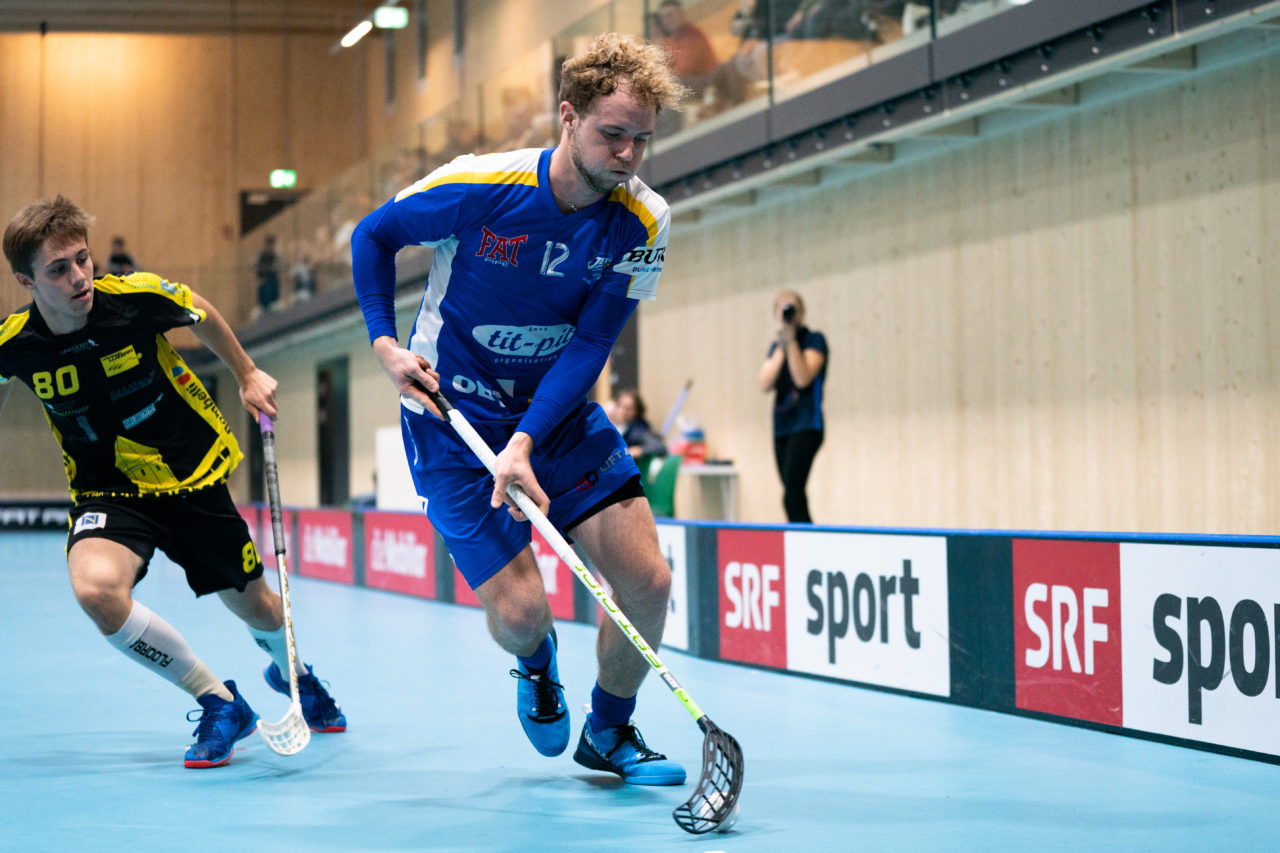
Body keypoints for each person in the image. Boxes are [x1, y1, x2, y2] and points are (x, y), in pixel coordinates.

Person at [351, 33, 688, 787]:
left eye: (642, 139)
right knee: (522, 614)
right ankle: (537, 665)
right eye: (613, 134)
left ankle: (609, 730)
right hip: (450, 417)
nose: (628, 154)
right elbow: (374, 236)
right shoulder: (479, 185)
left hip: (555, 418)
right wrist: (384, 343)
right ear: (568, 116)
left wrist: (529, 438)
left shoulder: (644, 218)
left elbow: (592, 342)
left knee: (649, 583)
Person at [0, 196, 346, 768]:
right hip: (108, 494)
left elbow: (199, 310)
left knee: (259, 608)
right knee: (96, 591)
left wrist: (246, 373)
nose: (79, 277)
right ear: (25, 281)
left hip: (191, 479)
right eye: (58, 269)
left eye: (82, 259)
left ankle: (296, 674)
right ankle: (218, 702)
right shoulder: (15, 344)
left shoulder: (133, 298)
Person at [758, 289, 827, 523]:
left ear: (801, 312)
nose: (787, 313)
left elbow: (802, 378)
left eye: (792, 308)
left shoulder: (814, 340)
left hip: (807, 425)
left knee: (792, 494)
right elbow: (764, 383)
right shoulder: (776, 347)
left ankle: (806, 538)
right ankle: (804, 533)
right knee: (792, 492)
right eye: (782, 308)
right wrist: (782, 344)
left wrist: (791, 341)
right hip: (782, 427)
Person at [611, 388, 667, 459]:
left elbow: (659, 446)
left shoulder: (638, 430)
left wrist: (639, 450)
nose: (622, 411)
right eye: (620, 406)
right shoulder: (616, 427)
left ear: (636, 411)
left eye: (628, 408)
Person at [254, 233, 282, 313]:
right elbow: (256, 267)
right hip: (263, 279)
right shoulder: (261, 256)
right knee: (264, 289)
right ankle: (263, 306)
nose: (271, 247)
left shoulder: (275, 255)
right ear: (266, 245)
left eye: (272, 245)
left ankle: (273, 303)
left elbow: (279, 265)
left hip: (272, 279)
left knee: (273, 286)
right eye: (269, 245)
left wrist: (272, 268)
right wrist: (262, 271)